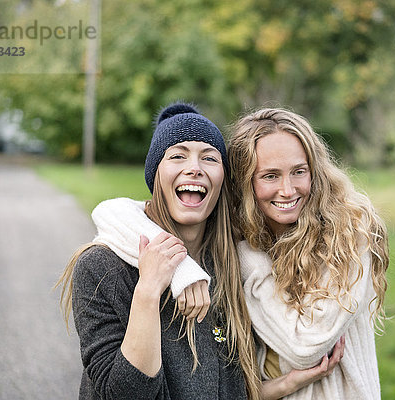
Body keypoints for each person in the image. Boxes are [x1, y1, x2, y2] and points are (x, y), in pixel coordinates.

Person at [56, 103, 261, 399]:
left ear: (222, 179)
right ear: (155, 175)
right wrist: (149, 291)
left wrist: (286, 385)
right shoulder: (101, 267)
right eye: (177, 156)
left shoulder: (230, 264)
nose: (195, 168)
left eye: (210, 158)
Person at [227, 108, 389, 399]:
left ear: (315, 169)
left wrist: (247, 258)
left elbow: (305, 346)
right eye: (270, 176)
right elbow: (123, 213)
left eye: (299, 172)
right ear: (244, 182)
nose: (288, 190)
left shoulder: (347, 232)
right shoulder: (237, 229)